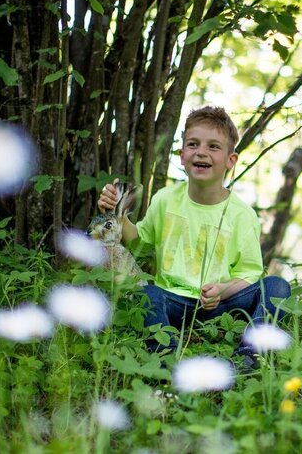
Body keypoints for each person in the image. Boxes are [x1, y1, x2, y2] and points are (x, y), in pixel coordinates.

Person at [98, 106, 290, 368]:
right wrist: (117, 215)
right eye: (193, 144)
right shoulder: (166, 199)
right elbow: (139, 242)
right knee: (148, 294)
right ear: (182, 155)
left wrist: (221, 290)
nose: (201, 152)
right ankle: (167, 360)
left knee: (277, 287)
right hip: (171, 301)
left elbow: (249, 275)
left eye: (213, 146)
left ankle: (249, 356)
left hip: (220, 305)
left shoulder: (242, 215)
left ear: (230, 160)